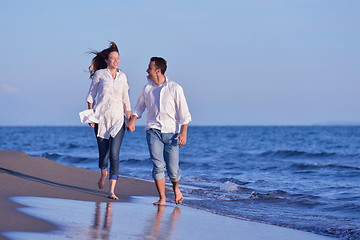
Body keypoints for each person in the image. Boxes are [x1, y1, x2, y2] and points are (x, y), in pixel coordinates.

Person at [127, 57, 191, 205]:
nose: (146, 70)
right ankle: (162, 198)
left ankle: (176, 188)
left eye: (149, 68)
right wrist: (133, 119)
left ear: (158, 70)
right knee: (158, 166)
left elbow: (184, 113)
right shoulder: (147, 89)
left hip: (172, 134)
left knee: (173, 171)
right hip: (153, 131)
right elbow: (140, 107)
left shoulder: (175, 88)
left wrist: (184, 132)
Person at [83, 42, 131, 200]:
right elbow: (91, 97)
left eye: (118, 58)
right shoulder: (99, 75)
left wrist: (130, 119)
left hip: (118, 120)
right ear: (106, 60)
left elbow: (126, 100)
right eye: (113, 58)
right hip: (101, 120)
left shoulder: (123, 77)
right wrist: (91, 116)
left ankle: (112, 191)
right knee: (103, 156)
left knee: (115, 155)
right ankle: (103, 173)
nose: (116, 61)